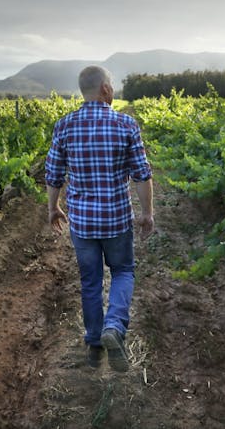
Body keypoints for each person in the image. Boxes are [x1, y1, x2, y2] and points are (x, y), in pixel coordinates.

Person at [45, 65, 154, 372]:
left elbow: (53, 175)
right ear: (105, 89)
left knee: (90, 281)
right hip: (117, 219)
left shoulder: (64, 126)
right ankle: (114, 327)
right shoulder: (126, 124)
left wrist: (53, 208)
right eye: (113, 87)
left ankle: (94, 345)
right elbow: (142, 174)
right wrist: (147, 213)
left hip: (82, 223)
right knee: (122, 271)